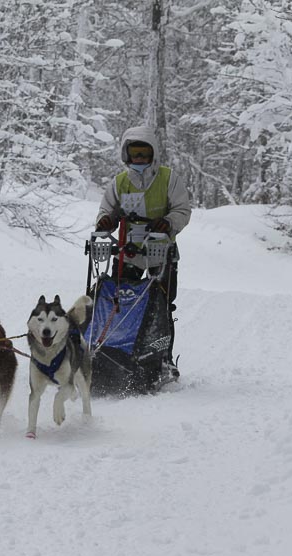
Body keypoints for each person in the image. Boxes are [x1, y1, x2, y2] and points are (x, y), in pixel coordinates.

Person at [94, 125, 191, 376]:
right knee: (120, 301)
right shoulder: (120, 183)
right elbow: (108, 211)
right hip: (129, 251)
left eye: (144, 153)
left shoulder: (169, 179)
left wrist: (169, 222)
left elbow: (182, 209)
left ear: (153, 154)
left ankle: (163, 360)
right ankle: (114, 353)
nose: (139, 159)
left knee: (162, 305)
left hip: (162, 250)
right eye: (134, 153)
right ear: (126, 154)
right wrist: (105, 222)